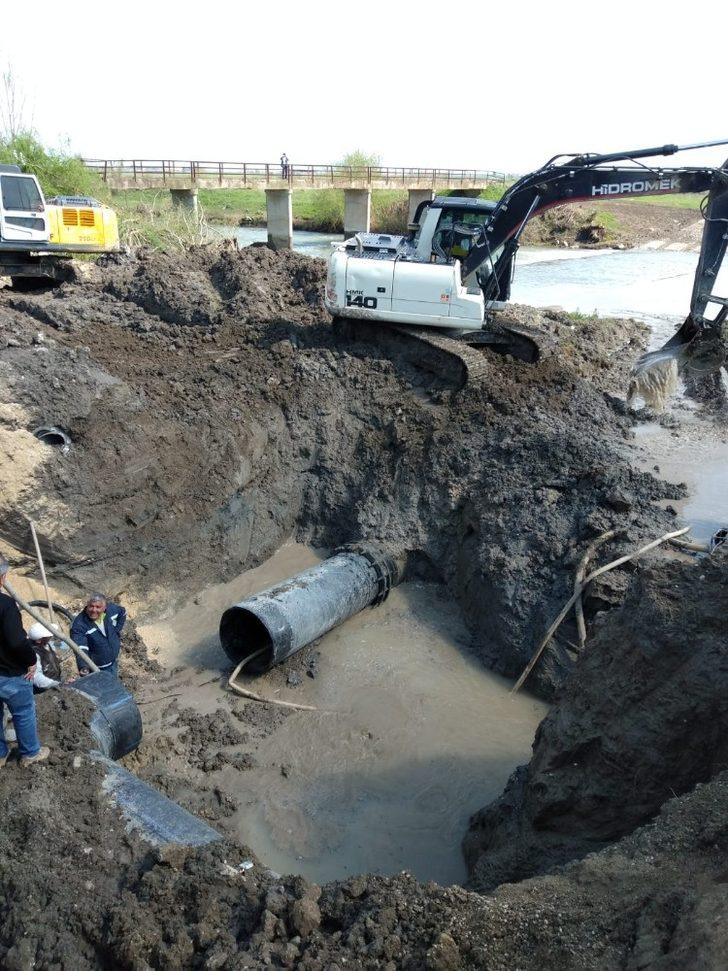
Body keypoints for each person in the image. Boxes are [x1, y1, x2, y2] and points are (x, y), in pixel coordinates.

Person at [0, 554, 50, 766]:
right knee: (23, 712)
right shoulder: (5, 604)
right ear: (3, 577)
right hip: (10, 673)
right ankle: (30, 753)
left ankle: (1, 754)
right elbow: (16, 642)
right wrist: (31, 660)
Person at [71, 593, 126, 678]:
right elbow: (80, 647)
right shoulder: (79, 624)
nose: (93, 610)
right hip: (98, 667)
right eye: (91, 606)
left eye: (98, 607)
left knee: (114, 679)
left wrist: (116, 630)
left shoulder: (111, 610)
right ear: (87, 606)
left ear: (104, 608)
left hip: (113, 659)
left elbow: (123, 612)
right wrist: (84, 666)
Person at [27, 622, 61, 690]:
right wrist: (52, 684)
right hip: (45, 687)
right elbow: (36, 676)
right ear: (39, 640)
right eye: (48, 636)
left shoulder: (46, 644)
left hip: (55, 679)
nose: (51, 636)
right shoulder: (33, 654)